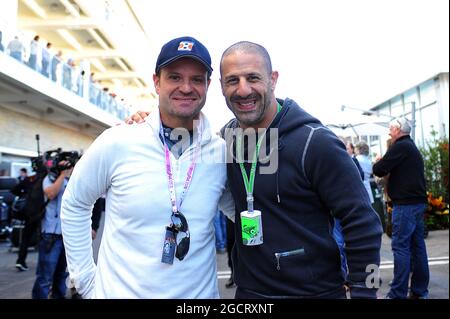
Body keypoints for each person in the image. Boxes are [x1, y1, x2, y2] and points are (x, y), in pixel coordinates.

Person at [129, 41, 383, 298]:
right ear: (221, 87)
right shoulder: (225, 141)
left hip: (314, 293)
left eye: (253, 78)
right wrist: (149, 124)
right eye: (232, 80)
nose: (243, 90)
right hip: (249, 295)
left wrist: (367, 292)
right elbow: (183, 150)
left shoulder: (315, 142)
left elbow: (364, 224)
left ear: (273, 79)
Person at [61, 36, 234, 299]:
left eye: (196, 79)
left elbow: (243, 211)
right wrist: (85, 281)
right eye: (174, 77)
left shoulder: (220, 152)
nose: (186, 87)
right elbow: (75, 202)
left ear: (208, 85)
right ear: (156, 82)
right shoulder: (118, 141)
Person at [373, 118, 429, 299]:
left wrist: (380, 160)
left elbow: (380, 169)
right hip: (418, 202)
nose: (389, 131)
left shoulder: (400, 146)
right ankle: (420, 291)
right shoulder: (411, 147)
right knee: (417, 246)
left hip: (405, 205)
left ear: (398, 129)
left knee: (401, 247)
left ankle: (397, 293)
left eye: (391, 128)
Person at [32, 163, 72, 299]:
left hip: (66, 236)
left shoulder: (70, 181)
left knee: (62, 275)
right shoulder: (50, 179)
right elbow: (50, 193)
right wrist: (62, 175)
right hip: (50, 235)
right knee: (45, 277)